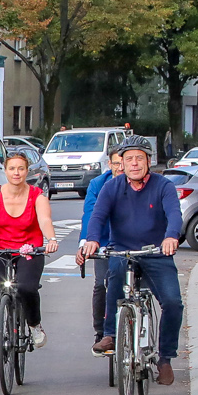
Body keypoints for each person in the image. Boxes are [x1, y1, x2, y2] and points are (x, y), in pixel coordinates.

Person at [78, 137, 184, 386]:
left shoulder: (163, 186)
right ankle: (111, 334)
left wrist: (171, 237)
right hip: (123, 251)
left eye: (139, 158)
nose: (134, 163)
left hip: (155, 251)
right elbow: (98, 215)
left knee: (173, 302)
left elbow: (174, 215)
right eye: (128, 159)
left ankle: (165, 358)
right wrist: (92, 239)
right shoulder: (112, 187)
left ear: (149, 160)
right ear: (121, 163)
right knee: (112, 278)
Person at [0, 150, 57, 359]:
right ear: (5, 171)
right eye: (12, 168)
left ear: (27, 171)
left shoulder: (36, 195)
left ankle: (34, 324)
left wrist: (51, 239)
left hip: (29, 250)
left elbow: (45, 220)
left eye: (21, 168)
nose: (16, 173)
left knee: (26, 288)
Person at [79, 150, 126, 353]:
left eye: (123, 163)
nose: (121, 168)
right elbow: (91, 213)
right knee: (101, 284)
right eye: (116, 164)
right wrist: (87, 241)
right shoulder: (99, 184)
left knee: (138, 288)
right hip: (104, 240)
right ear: (109, 163)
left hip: (131, 241)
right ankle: (101, 331)